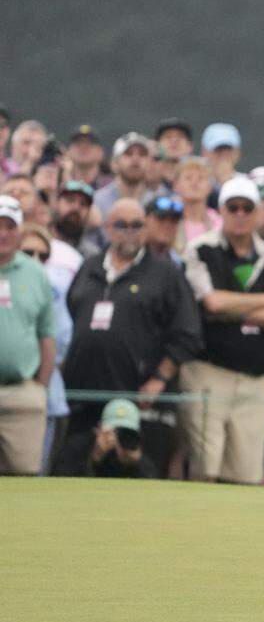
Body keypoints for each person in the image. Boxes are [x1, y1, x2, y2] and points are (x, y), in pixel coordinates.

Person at [56, 197, 201, 476]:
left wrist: (159, 378)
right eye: (122, 225)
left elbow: (188, 333)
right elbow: (72, 317)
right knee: (76, 472)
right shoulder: (89, 268)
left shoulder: (165, 273)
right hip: (85, 396)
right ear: (108, 228)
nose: (130, 232)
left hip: (140, 397)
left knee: (140, 472)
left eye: (137, 225)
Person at [180, 177, 264, 485]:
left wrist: (235, 311)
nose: (240, 214)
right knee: (206, 467)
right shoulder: (201, 249)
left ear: (256, 212)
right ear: (222, 211)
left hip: (255, 379)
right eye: (233, 208)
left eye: (247, 208)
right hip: (208, 372)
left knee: (247, 473)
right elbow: (213, 302)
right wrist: (263, 300)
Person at [0, 196, 55, 474]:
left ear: (20, 231)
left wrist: (39, 387)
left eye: (10, 227)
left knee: (25, 473)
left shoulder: (36, 274)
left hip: (22, 391)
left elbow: (47, 335)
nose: (2, 234)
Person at [21, 223, 73, 473]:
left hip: (42, 393)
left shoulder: (53, 290)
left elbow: (62, 339)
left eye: (43, 256)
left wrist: (39, 380)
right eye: (28, 252)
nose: (35, 260)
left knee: (35, 473)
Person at [84, 399, 157, 478]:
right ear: (99, 428)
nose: (118, 437)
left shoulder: (135, 445)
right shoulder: (84, 444)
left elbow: (152, 480)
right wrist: (96, 456)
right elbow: (76, 477)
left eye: (126, 432)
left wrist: (137, 461)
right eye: (114, 431)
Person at [93, 132, 154, 221]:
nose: (135, 158)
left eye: (142, 154)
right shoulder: (97, 203)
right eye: (128, 154)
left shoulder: (157, 202)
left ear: (149, 164)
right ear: (114, 163)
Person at [172, 156, 221, 250]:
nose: (194, 183)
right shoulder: (168, 221)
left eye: (201, 178)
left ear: (209, 187)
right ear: (176, 185)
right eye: (188, 178)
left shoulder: (219, 222)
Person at [66, 124, 112, 190]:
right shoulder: (57, 186)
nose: (83, 147)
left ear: (101, 152)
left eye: (90, 143)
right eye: (78, 143)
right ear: (68, 151)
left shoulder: (112, 187)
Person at [141, 195, 185, 265]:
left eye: (174, 220)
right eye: (161, 218)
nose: (167, 225)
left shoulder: (180, 263)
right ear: (145, 220)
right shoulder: (132, 259)